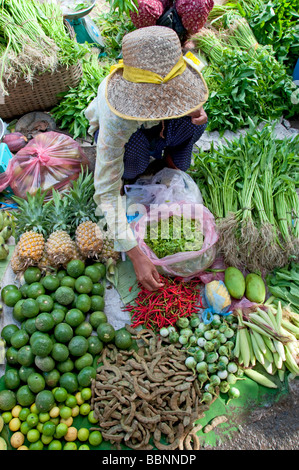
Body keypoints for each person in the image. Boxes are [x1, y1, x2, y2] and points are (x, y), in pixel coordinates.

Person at [85, 26, 209, 292]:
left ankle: (169, 171)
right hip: (132, 136)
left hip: (161, 127)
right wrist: (136, 254)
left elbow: (191, 103)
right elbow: (105, 193)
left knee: (195, 125)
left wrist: (196, 111)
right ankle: (133, 178)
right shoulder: (117, 115)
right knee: (134, 157)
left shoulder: (173, 70)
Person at [129, 0, 214, 46]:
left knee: (198, 3)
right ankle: (151, 37)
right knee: (139, 5)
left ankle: (188, 38)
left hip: (184, 6)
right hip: (157, 4)